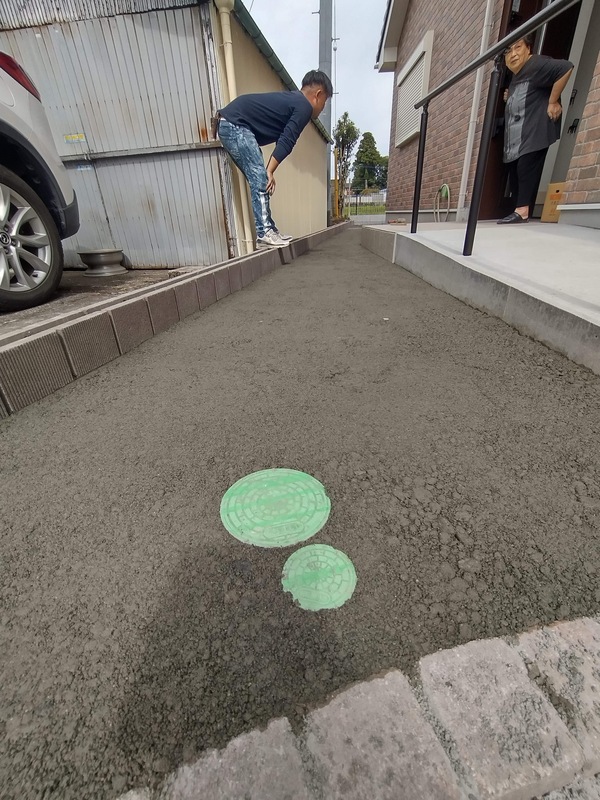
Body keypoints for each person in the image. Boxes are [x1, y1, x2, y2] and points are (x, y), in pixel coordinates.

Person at [214, 70, 333, 249]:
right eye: (325, 102)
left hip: (232, 124)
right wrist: (269, 170)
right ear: (318, 94)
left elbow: (283, 138)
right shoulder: (304, 106)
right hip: (235, 125)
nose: (323, 108)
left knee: (259, 178)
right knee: (260, 178)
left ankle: (269, 229)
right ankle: (264, 233)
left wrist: (269, 169)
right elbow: (288, 139)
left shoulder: (294, 101)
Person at [498, 34, 573, 224]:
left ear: (528, 49)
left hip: (534, 130)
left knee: (526, 167)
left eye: (518, 47)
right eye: (508, 51)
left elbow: (565, 67)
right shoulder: (518, 74)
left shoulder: (536, 64)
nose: (513, 54)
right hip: (519, 134)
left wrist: (553, 101)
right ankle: (519, 209)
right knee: (515, 169)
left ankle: (522, 211)